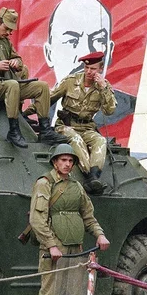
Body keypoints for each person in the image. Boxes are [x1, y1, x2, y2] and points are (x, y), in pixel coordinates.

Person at [29, 144, 110, 295]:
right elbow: (36, 219)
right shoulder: (44, 184)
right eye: (63, 160)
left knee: (74, 294)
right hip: (54, 249)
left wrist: (99, 234)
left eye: (70, 161)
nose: (67, 164)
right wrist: (51, 244)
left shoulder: (76, 186)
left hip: (77, 248)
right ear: (55, 162)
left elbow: (88, 215)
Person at [0, 7, 68, 148]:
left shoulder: (5, 41)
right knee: (12, 84)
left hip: (3, 84)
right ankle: (13, 130)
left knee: (41, 87)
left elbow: (17, 58)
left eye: (10, 30)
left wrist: (16, 63)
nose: (9, 33)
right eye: (6, 28)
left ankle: (45, 130)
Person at [26, 51, 116, 194]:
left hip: (87, 127)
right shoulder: (70, 81)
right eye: (86, 68)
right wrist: (26, 113)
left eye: (93, 69)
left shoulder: (104, 87)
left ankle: (94, 175)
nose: (88, 72)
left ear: (100, 69)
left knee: (100, 141)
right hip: (66, 125)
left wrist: (104, 88)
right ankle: (88, 176)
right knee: (75, 139)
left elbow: (109, 110)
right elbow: (48, 98)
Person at [42, 0, 134, 127]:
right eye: (72, 40)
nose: (85, 53)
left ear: (109, 51)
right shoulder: (39, 109)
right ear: (49, 54)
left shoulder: (129, 111)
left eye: (98, 40)